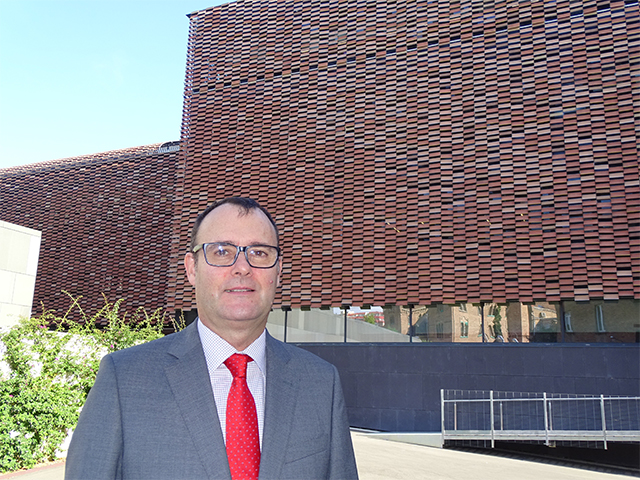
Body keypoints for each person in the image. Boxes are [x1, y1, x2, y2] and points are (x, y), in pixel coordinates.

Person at [65, 197, 358, 480]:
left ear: (278, 272)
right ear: (192, 269)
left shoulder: (321, 384)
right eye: (221, 251)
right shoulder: (123, 379)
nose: (242, 267)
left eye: (259, 253)